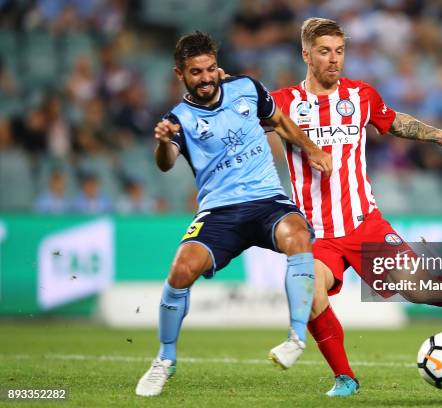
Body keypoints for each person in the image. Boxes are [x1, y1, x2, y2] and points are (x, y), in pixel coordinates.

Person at [268, 18, 442, 396]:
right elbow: (240, 119)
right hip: (315, 232)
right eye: (324, 51)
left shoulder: (360, 96)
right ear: (306, 54)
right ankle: (345, 377)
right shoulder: (284, 102)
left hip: (363, 222)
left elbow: (393, 121)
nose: (334, 60)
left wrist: (437, 134)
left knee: (419, 290)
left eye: (339, 51)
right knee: (308, 289)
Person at [135, 31, 332, 397]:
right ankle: (164, 360)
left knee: (298, 236)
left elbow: (282, 121)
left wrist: (312, 149)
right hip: (219, 211)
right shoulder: (177, 118)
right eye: (196, 72)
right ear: (181, 74)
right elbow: (165, 165)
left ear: (217, 66)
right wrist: (163, 142)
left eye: (210, 69)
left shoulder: (247, 88)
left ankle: (295, 338)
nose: (206, 77)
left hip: (266, 199)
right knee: (180, 270)